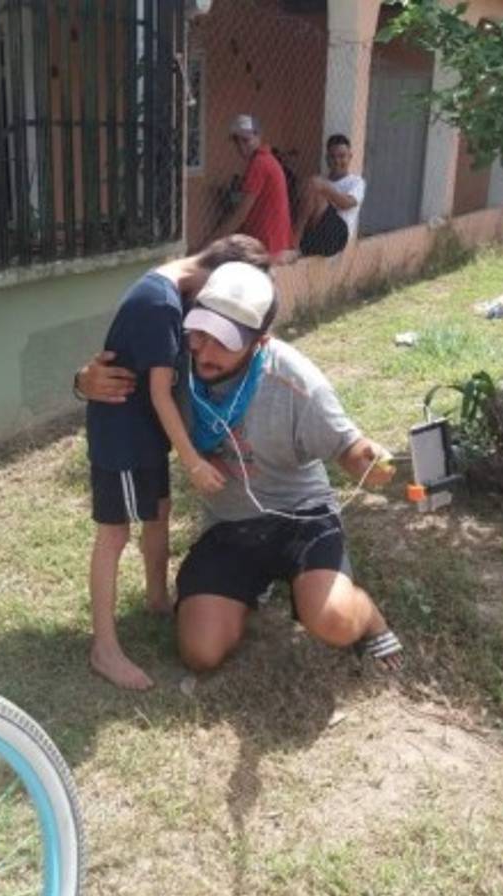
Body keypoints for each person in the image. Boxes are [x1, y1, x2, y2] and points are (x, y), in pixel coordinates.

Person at [79, 263, 403, 678]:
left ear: (260, 341)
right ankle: (252, 587)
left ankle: (368, 616)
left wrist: (366, 461)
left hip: (302, 517)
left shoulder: (296, 381)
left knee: (334, 621)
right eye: (200, 332)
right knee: (201, 653)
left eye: (224, 341)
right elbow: (112, 376)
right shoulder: (179, 360)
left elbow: (349, 447)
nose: (204, 350)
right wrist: (83, 381)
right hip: (229, 525)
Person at [79, 236, 270, 691]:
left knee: (159, 514)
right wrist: (192, 461)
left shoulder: (168, 295)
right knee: (115, 533)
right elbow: (160, 392)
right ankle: (103, 648)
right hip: (123, 437)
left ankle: (157, 598)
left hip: (146, 434)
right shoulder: (159, 304)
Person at [208, 114, 294, 260]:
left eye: (246, 140)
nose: (241, 146)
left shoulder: (259, 163)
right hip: (273, 242)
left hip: (266, 245)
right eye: (237, 141)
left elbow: (239, 215)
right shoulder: (265, 159)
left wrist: (209, 245)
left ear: (258, 137)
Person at [292, 133, 366, 259]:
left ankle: (293, 243)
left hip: (337, 236)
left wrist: (323, 188)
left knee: (314, 186)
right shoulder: (321, 181)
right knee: (307, 188)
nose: (337, 161)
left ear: (350, 157)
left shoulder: (356, 182)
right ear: (327, 158)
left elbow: (347, 204)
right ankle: (297, 241)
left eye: (342, 156)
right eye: (332, 157)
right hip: (316, 233)